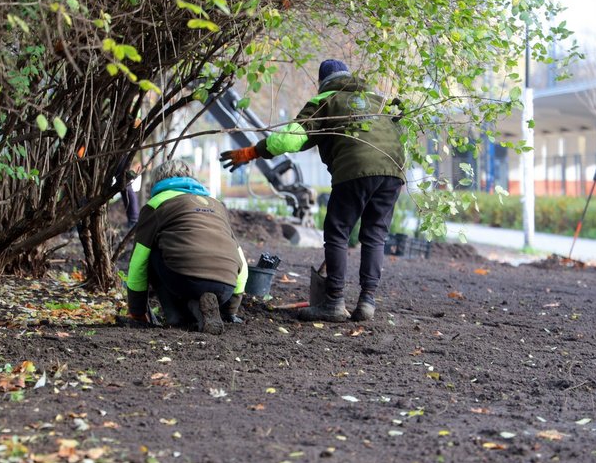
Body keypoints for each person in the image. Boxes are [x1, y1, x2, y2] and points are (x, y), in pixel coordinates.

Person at [220, 59, 405, 322]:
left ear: (323, 84)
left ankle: (334, 303)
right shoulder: (379, 101)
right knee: (375, 235)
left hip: (354, 169)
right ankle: (367, 301)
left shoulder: (327, 101)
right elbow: (400, 130)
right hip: (393, 170)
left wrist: (252, 152)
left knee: (337, 233)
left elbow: (289, 139)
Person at [122, 159, 248, 334]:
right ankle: (202, 311)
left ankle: (175, 316)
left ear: (157, 181)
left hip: (183, 279)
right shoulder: (216, 205)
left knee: (151, 251)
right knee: (188, 266)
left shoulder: (156, 204)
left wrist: (137, 311)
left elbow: (138, 261)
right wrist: (229, 310)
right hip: (225, 286)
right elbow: (241, 260)